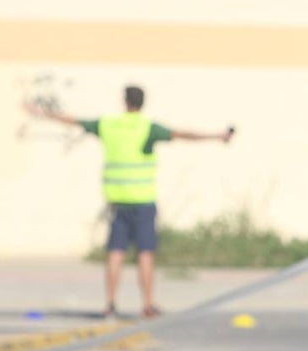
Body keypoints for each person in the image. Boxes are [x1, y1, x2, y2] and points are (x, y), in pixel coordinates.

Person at [27, 85, 233, 318]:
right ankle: (147, 304)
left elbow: (76, 121)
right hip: (143, 200)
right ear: (143, 102)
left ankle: (110, 304)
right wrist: (217, 136)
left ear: (124, 101)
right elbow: (183, 134)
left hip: (117, 200)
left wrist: (43, 113)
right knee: (145, 253)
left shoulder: (109, 125)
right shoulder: (148, 128)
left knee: (116, 252)